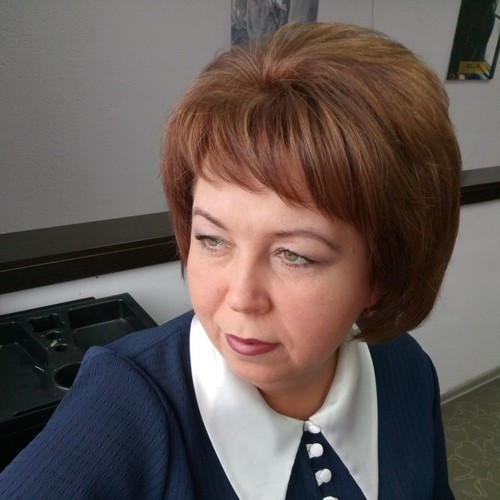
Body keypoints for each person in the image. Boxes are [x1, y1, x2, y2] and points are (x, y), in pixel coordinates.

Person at [0, 22, 461, 499]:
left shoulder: (404, 369)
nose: (240, 298)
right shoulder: (123, 405)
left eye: (294, 255)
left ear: (384, 273)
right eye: (212, 239)